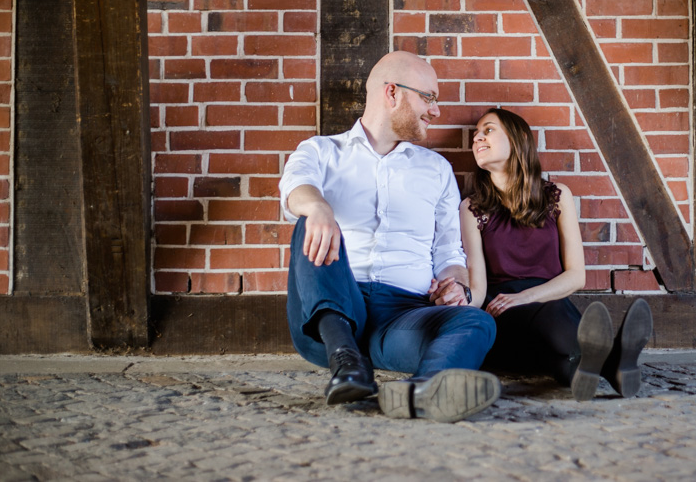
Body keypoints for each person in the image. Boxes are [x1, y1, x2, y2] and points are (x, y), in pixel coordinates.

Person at [279, 51, 499, 422]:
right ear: (393, 93)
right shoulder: (320, 151)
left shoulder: (436, 170)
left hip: (402, 319)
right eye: (428, 97)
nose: (436, 110)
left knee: (478, 322)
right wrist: (318, 208)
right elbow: (295, 189)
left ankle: (422, 391)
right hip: (330, 317)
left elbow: (449, 250)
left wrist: (456, 285)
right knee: (308, 221)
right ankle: (347, 365)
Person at [459, 107, 653, 400]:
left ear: (519, 138)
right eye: (475, 136)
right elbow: (479, 287)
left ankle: (596, 369)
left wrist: (527, 296)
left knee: (563, 355)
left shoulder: (556, 196)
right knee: (553, 315)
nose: (477, 139)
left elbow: (576, 276)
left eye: (488, 130)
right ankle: (615, 359)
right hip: (503, 312)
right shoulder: (472, 209)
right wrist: (456, 305)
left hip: (550, 308)